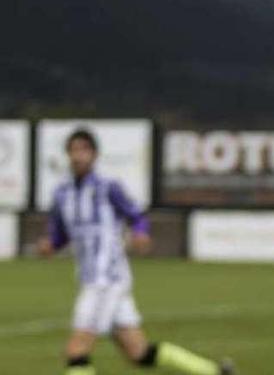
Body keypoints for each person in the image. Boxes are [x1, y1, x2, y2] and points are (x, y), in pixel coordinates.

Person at [37, 128, 234, 375]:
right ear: (67, 154)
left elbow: (136, 215)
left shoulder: (108, 188)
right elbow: (61, 234)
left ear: (95, 155)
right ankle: (216, 372)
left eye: (84, 150)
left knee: (77, 350)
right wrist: (50, 246)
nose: (78, 156)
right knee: (139, 353)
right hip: (90, 278)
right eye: (73, 150)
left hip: (106, 278)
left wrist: (141, 232)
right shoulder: (62, 194)